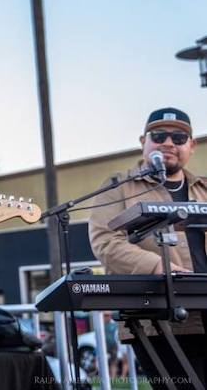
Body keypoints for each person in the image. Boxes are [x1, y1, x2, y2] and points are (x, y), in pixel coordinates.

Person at [89, 107, 206, 389]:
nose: (168, 143)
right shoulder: (119, 187)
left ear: (192, 145)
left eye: (179, 137)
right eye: (159, 135)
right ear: (144, 141)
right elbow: (105, 242)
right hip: (157, 317)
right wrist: (161, 267)